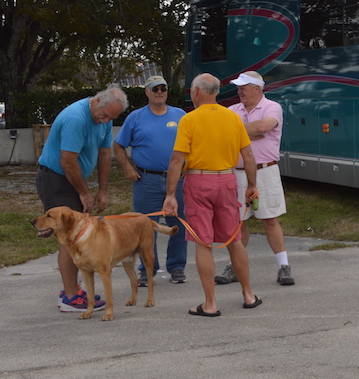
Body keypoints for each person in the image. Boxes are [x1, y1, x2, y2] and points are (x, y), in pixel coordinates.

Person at [162, 73, 262, 316]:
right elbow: (248, 155)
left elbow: (177, 160)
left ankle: (210, 304)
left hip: (198, 180)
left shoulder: (189, 120)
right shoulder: (233, 117)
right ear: (216, 92)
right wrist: (251, 185)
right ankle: (248, 295)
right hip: (227, 179)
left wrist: (170, 195)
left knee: (201, 241)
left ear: (196, 91)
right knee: (234, 239)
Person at [35, 84, 128, 313]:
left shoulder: (103, 120)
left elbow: (105, 154)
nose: (106, 121)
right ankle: (69, 296)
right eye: (105, 115)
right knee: (70, 235)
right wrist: (84, 192)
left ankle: (74, 289)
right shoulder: (76, 118)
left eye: (112, 118)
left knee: (80, 234)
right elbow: (67, 161)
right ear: (97, 101)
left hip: (73, 178)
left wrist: (102, 190)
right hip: (56, 179)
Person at [215, 70, 294, 286]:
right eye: (238, 87)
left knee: (270, 219)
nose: (239, 91)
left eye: (243, 87)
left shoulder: (272, 107)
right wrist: (246, 132)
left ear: (257, 88)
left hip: (265, 172)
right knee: (238, 222)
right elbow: (222, 133)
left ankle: (284, 267)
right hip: (237, 173)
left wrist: (237, 131)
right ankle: (234, 267)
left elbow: (263, 127)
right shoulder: (233, 110)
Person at [112, 75, 188, 286]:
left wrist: (188, 166)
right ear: (147, 92)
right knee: (145, 226)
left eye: (163, 88)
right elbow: (118, 145)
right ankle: (148, 269)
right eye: (154, 89)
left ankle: (177, 267)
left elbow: (194, 142)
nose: (159, 92)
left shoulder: (180, 115)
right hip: (147, 180)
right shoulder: (135, 118)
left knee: (179, 224)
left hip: (177, 180)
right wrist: (127, 167)